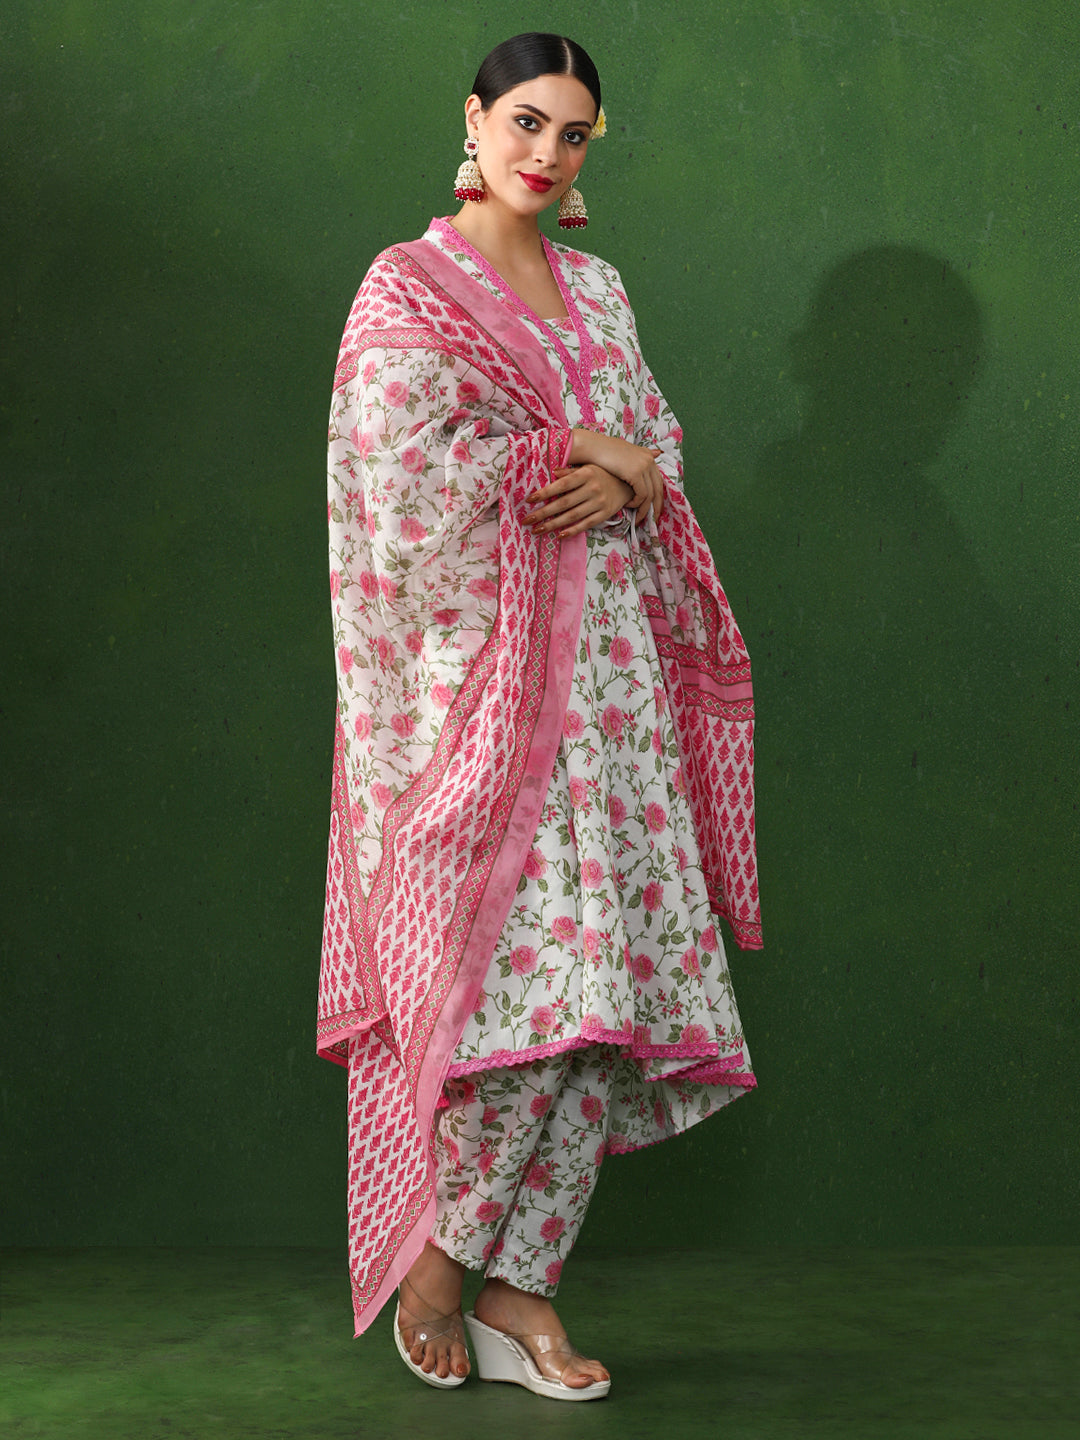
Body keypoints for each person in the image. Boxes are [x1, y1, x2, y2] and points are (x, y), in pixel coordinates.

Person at [318, 32, 761, 1402]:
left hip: (615, 698)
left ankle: (523, 1286)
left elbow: (656, 442)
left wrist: (628, 468)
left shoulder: (600, 288)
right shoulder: (408, 286)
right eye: (525, 121)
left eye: (573, 134)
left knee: (604, 1004)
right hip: (484, 706)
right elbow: (397, 480)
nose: (546, 153)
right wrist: (566, 451)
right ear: (472, 119)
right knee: (521, 999)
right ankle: (443, 1261)